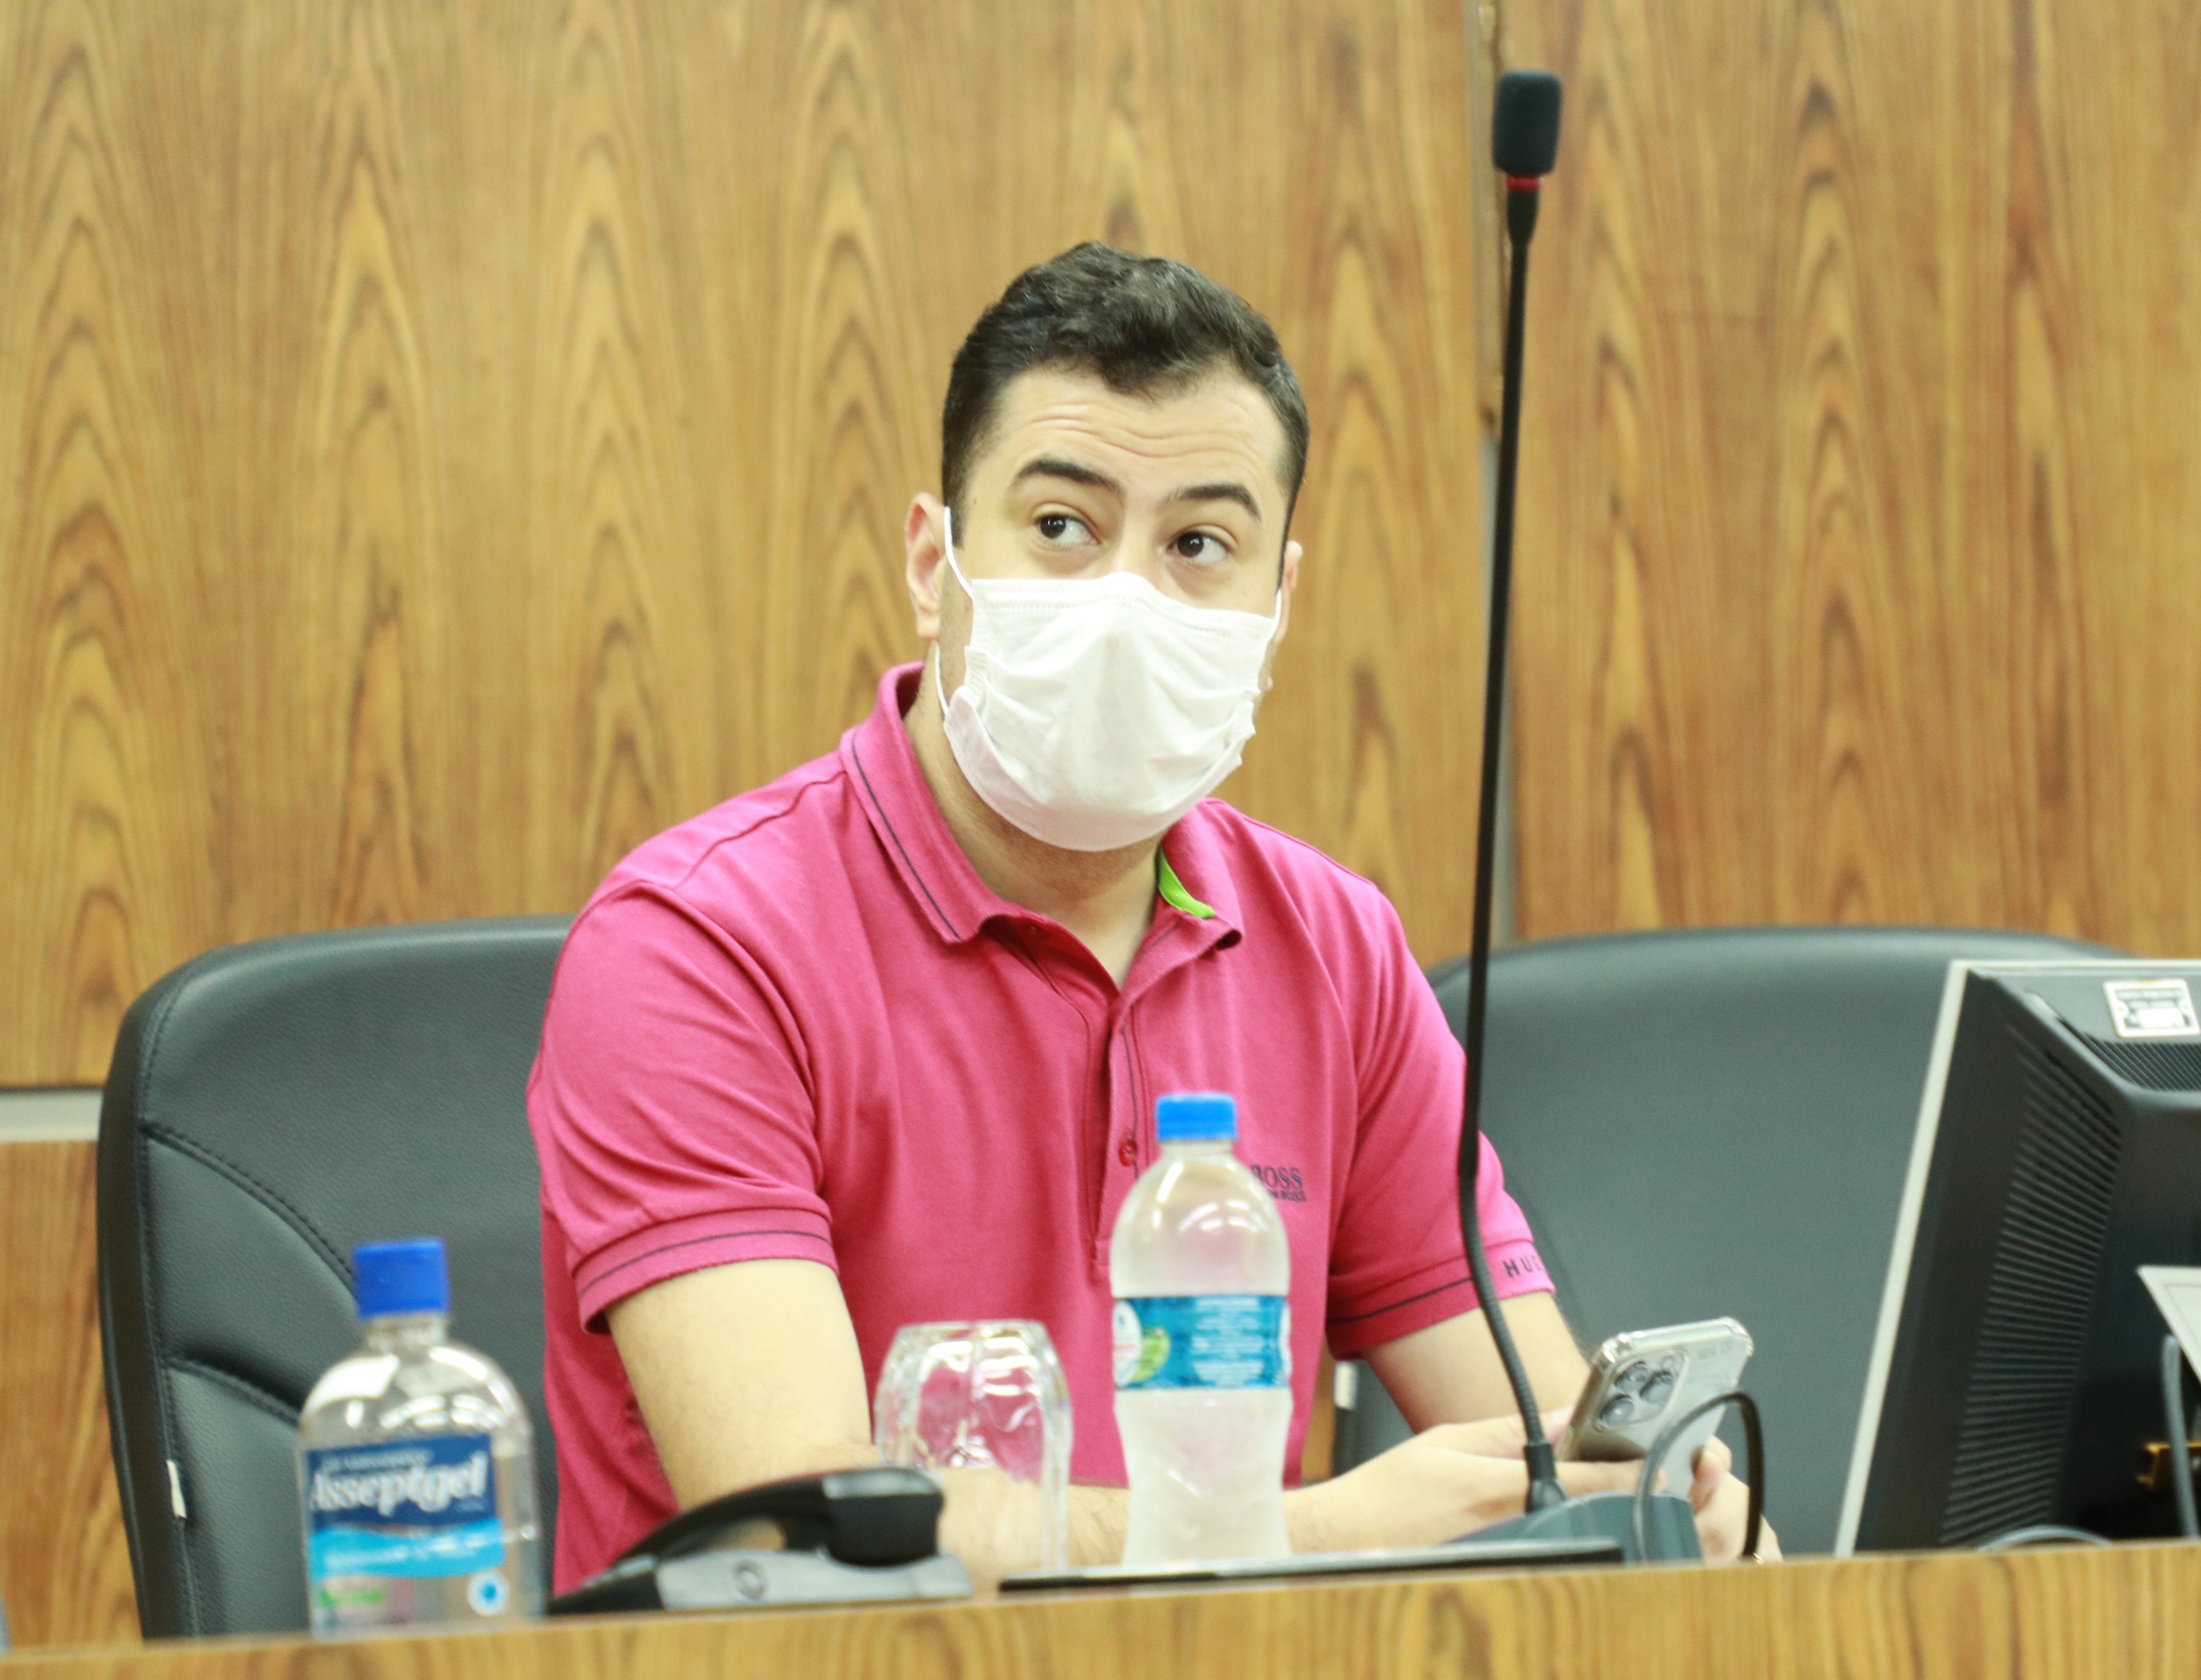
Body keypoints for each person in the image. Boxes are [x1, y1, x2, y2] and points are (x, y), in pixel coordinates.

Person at [526, 242, 1772, 1590]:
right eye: (1062, 526)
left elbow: (1539, 1438)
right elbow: (797, 1527)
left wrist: (1665, 1515)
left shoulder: (1335, 946)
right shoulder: (695, 948)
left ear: (1277, 603)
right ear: (934, 562)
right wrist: (1323, 1532)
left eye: (1197, 545)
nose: (1125, 600)